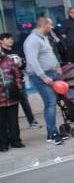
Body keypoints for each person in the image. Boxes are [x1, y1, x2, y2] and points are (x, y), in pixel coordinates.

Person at [23, 16, 64, 145]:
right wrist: (43, 76)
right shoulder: (32, 40)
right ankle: (52, 134)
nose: (52, 27)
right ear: (43, 24)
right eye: (50, 25)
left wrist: (57, 66)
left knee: (53, 102)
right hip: (40, 76)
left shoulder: (44, 38)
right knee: (50, 103)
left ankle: (52, 131)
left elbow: (50, 54)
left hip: (51, 72)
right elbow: (32, 61)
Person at [1, 33, 41, 129]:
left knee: (24, 101)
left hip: (18, 80)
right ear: (1, 41)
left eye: (11, 38)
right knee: (8, 107)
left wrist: (21, 64)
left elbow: (24, 64)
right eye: (7, 39)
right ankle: (8, 128)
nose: (10, 40)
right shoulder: (2, 53)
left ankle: (32, 121)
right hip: (5, 84)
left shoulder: (17, 50)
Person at [0, 40, 24, 151]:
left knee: (13, 120)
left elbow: (17, 75)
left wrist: (19, 86)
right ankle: (3, 143)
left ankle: (16, 140)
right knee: (1, 123)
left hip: (12, 95)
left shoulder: (8, 60)